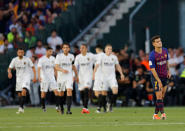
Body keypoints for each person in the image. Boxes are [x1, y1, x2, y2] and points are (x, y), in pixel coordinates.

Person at [93, 44, 124, 112]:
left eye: (110, 49)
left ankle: (110, 104)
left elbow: (117, 66)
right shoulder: (102, 57)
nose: (109, 50)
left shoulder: (114, 57)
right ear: (105, 50)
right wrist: (94, 74)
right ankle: (101, 107)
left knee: (115, 91)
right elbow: (97, 65)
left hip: (112, 77)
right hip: (103, 77)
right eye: (108, 49)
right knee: (103, 93)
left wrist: (121, 74)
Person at [8, 48, 37, 114]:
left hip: (26, 77)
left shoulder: (27, 59)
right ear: (17, 53)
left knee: (24, 90)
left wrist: (34, 77)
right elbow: (9, 68)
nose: (20, 53)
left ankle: (21, 107)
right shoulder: (14, 60)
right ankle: (21, 107)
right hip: (18, 78)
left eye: (22, 52)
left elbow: (33, 68)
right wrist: (9, 73)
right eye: (19, 52)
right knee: (19, 94)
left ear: (23, 53)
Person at [149, 35, 171, 120]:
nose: (160, 42)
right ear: (153, 44)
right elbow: (153, 70)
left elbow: (167, 61)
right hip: (156, 78)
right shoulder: (152, 55)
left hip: (164, 76)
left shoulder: (165, 50)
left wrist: (168, 71)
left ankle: (155, 114)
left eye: (160, 41)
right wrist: (158, 81)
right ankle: (163, 114)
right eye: (157, 42)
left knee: (161, 97)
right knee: (158, 96)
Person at [55, 43, 78, 114]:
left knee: (69, 91)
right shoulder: (59, 56)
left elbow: (73, 66)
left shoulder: (72, 56)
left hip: (69, 76)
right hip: (61, 77)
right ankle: (61, 107)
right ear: (62, 49)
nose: (65, 49)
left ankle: (68, 110)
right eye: (64, 47)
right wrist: (62, 70)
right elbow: (56, 67)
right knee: (61, 93)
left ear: (69, 49)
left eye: (67, 47)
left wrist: (76, 76)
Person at [74, 44, 95, 114]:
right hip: (81, 77)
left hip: (88, 76)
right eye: (80, 48)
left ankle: (85, 107)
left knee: (86, 90)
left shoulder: (91, 56)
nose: (81, 49)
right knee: (82, 91)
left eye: (83, 48)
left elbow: (98, 62)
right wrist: (75, 76)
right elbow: (75, 67)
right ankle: (84, 107)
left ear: (86, 48)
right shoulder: (78, 57)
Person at [37, 47, 58, 112]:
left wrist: (56, 77)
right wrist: (39, 76)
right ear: (46, 51)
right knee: (43, 93)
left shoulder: (53, 59)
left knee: (56, 91)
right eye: (50, 51)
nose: (51, 53)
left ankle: (57, 106)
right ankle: (43, 107)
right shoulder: (41, 59)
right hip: (44, 78)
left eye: (52, 51)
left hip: (52, 78)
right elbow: (39, 68)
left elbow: (55, 68)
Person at [92, 45, 106, 113]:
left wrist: (93, 74)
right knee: (98, 93)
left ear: (97, 49)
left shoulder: (100, 55)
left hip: (99, 76)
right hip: (103, 76)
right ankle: (104, 107)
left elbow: (97, 65)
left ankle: (99, 108)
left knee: (98, 93)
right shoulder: (104, 55)